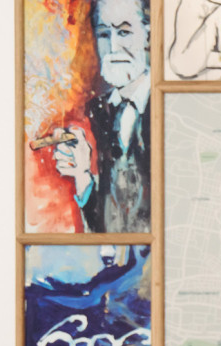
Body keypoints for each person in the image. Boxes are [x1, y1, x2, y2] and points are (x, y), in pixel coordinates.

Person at [53, 0, 150, 234]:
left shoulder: (170, 109)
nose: (113, 46)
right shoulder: (99, 111)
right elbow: (107, 228)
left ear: (149, 36)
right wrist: (82, 174)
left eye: (124, 32)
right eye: (104, 34)